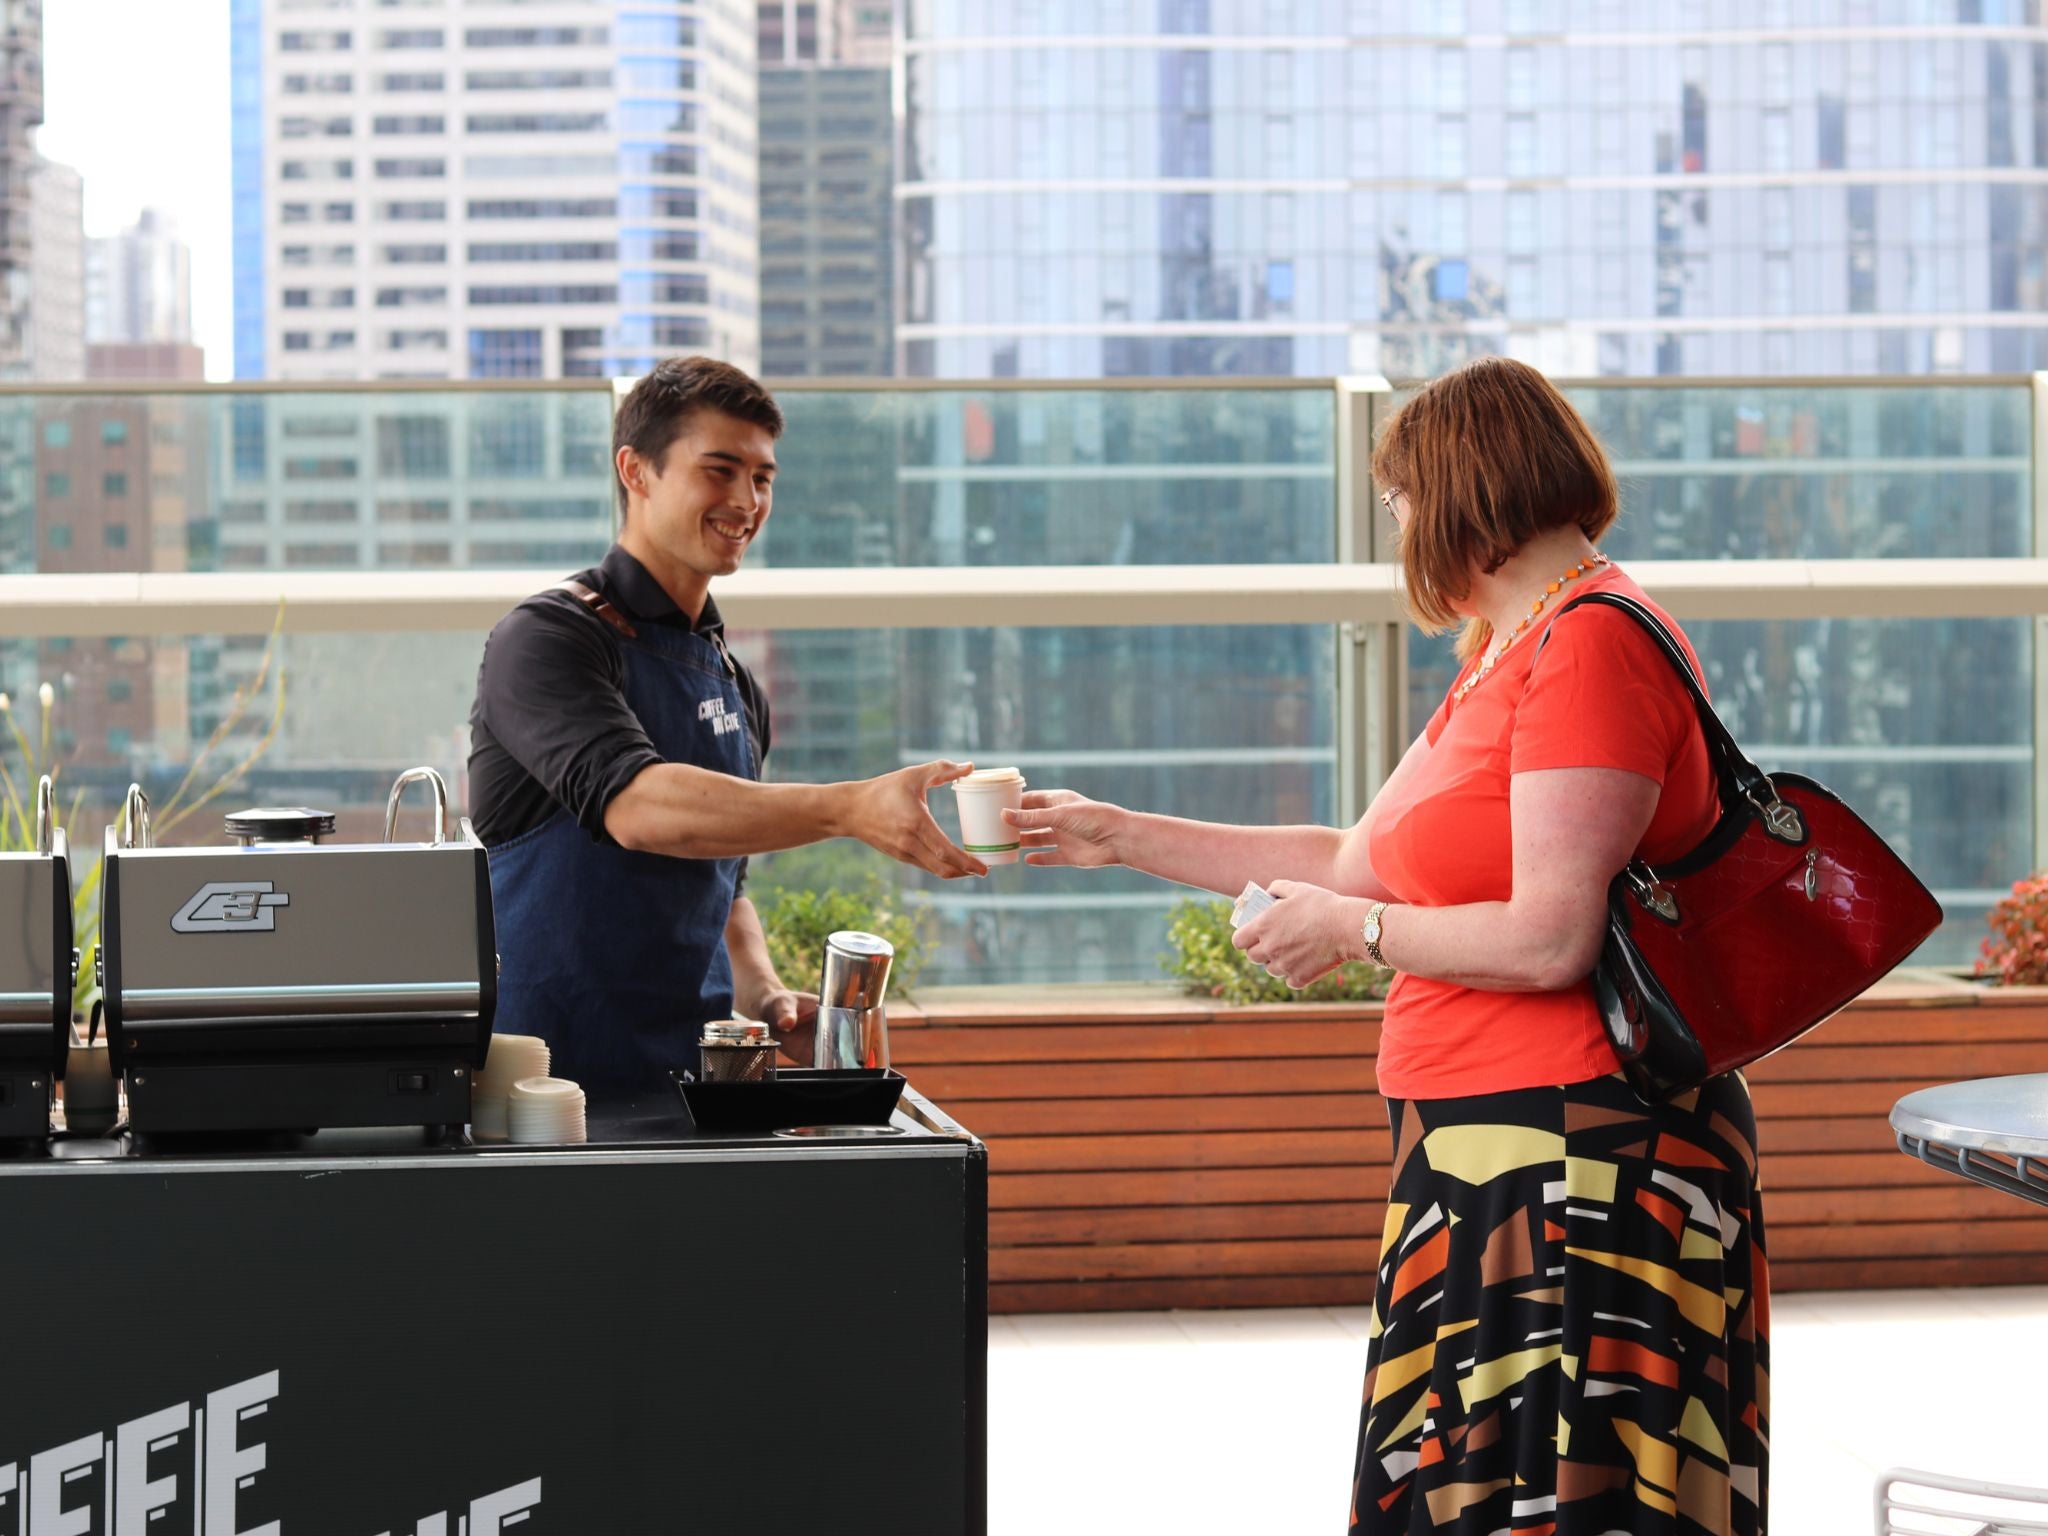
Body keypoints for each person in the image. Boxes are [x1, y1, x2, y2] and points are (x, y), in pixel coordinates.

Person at [1007, 357, 1768, 1535]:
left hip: (1574, 1160)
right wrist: (1116, 835)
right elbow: (1358, 859)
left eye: (1403, 499)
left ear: (1464, 489)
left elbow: (1546, 938)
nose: (1399, 527)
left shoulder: (1586, 648)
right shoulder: (1505, 648)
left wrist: (1352, 935)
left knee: (1546, 1505)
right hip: (1494, 1153)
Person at [468, 357, 985, 1096]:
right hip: (539, 1091)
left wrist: (768, 995)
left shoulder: (736, 685)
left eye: (763, 477)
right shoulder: (547, 637)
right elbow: (641, 809)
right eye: (720, 470)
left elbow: (723, 885)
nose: (747, 500)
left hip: (690, 1086)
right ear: (636, 471)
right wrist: (849, 807)